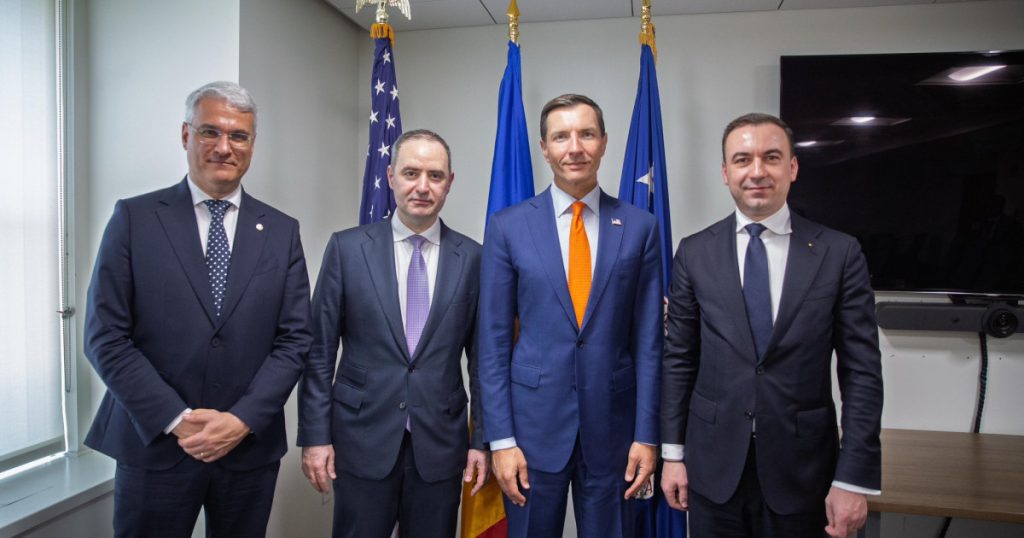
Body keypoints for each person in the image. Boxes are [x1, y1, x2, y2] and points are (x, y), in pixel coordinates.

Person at [84, 81, 313, 536]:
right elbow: (104, 335)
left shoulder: (281, 231)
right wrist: (177, 420)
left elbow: (294, 340)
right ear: (186, 135)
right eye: (211, 132)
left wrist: (242, 419)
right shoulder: (134, 219)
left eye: (238, 136)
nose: (224, 147)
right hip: (155, 444)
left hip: (247, 448)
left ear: (252, 145)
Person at [660, 112, 883, 538]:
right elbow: (679, 360)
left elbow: (862, 373)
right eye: (742, 160)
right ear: (725, 172)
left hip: (803, 473)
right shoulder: (694, 253)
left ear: (792, 167)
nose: (757, 171)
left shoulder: (840, 254)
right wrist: (672, 453)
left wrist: (853, 478)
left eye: (772, 157)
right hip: (713, 471)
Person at [478, 94, 663, 538]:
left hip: (615, 433)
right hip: (530, 434)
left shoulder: (640, 227)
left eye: (586, 134)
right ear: (544, 148)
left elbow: (649, 344)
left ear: (604, 143)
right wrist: (500, 440)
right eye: (561, 137)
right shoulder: (508, 227)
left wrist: (647, 435)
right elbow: (493, 343)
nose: (574, 147)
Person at [298, 129, 488, 537]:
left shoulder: (474, 258)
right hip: (361, 439)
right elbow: (318, 353)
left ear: (450, 182)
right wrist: (315, 437)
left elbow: (483, 363)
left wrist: (481, 442)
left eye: (435, 176)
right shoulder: (348, 250)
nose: (422, 186)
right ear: (390, 176)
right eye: (411, 173)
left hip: (440, 445)